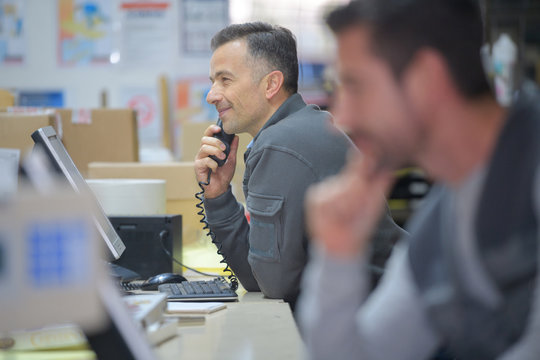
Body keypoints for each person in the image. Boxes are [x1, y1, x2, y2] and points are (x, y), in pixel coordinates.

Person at [298, 0, 540, 359]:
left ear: (426, 79)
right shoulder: (440, 222)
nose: (340, 118)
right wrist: (338, 253)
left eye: (356, 86)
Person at [194, 22, 404, 309]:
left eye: (225, 80)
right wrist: (218, 196)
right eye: (212, 81)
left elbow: (273, 284)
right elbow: (262, 277)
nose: (211, 95)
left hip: (381, 323)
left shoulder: (280, 145)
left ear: (271, 84)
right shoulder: (302, 126)